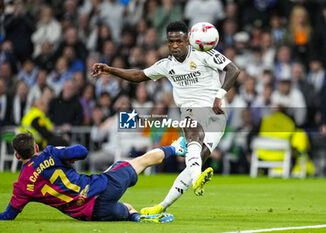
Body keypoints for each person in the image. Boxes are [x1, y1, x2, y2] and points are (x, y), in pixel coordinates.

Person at [92, 21, 240, 214]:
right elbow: (138, 75)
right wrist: (110, 70)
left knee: (193, 156)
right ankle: (163, 205)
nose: (175, 45)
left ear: (188, 39)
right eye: (171, 42)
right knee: (196, 153)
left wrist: (220, 95)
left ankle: (194, 179)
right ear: (167, 42)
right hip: (192, 111)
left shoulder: (204, 53)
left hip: (216, 110)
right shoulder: (166, 65)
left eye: (179, 41)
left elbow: (233, 70)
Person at [0, 132, 187, 222]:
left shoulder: (21, 185)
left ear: (17, 155)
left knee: (127, 207)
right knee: (138, 162)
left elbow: (7, 216)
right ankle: (176, 147)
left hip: (88, 212)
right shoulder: (50, 153)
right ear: (36, 147)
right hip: (101, 188)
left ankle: (136, 217)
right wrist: (63, 153)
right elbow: (82, 151)